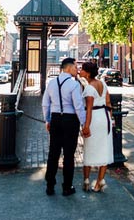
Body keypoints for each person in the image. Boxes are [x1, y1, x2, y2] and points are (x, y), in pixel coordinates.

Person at [42, 57, 87, 196]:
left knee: (53, 153)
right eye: (75, 67)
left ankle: (50, 185)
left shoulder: (51, 83)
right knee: (68, 155)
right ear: (67, 68)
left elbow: (45, 104)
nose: (77, 69)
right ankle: (67, 187)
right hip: (70, 121)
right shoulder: (74, 85)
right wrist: (84, 123)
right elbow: (78, 106)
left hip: (55, 119)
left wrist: (47, 120)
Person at [79, 61, 114, 193]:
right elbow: (108, 102)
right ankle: (100, 182)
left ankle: (86, 180)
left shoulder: (89, 88)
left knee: (89, 148)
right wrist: (111, 119)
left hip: (94, 118)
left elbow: (88, 109)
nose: (80, 71)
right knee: (104, 148)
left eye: (82, 69)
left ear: (87, 73)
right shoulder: (103, 84)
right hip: (104, 118)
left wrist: (86, 126)